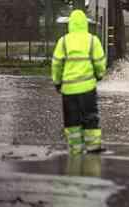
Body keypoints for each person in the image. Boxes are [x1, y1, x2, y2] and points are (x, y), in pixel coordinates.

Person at [52, 10, 106, 154]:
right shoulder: (92, 40)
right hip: (87, 88)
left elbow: (56, 64)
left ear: (70, 24)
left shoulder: (63, 41)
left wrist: (57, 82)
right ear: (85, 24)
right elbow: (100, 61)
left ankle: (75, 149)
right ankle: (93, 147)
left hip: (68, 89)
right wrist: (99, 75)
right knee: (90, 117)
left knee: (72, 121)